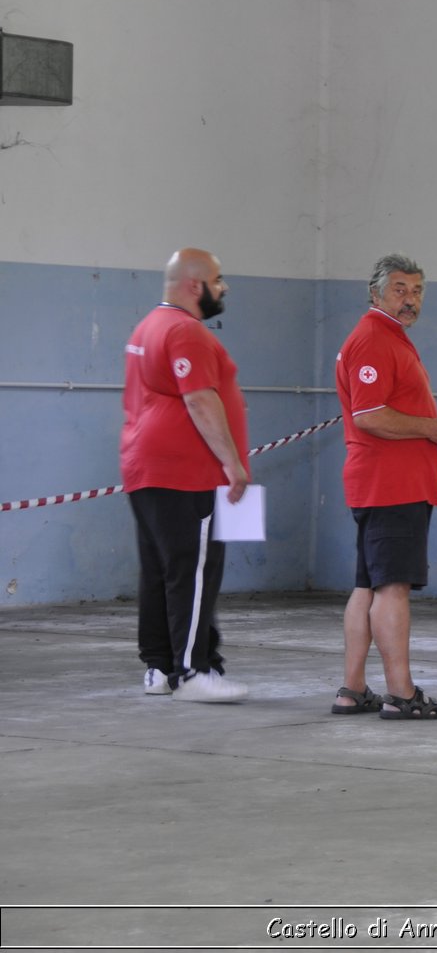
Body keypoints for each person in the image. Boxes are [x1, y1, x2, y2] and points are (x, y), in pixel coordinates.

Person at [332, 254, 437, 719]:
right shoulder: (372, 339)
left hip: (385, 481)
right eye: (400, 290)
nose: (410, 300)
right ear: (376, 293)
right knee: (392, 587)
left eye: (417, 291)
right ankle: (402, 695)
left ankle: (353, 689)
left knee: (367, 585)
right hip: (392, 483)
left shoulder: (390, 338)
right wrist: (431, 428)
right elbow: (370, 416)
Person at [121, 248, 251, 702]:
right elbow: (200, 399)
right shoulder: (185, 331)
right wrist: (233, 464)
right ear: (195, 285)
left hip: (146, 469)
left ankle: (158, 667)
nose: (224, 287)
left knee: (159, 570)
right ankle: (193, 673)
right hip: (186, 473)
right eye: (218, 279)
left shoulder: (148, 326)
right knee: (193, 572)